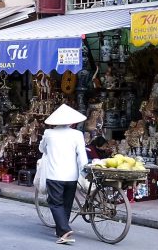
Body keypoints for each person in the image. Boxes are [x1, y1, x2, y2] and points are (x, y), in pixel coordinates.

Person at [39, 104, 88, 244]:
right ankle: (62, 230)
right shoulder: (77, 134)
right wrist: (84, 172)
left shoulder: (49, 133)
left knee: (55, 203)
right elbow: (82, 157)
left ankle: (65, 230)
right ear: (72, 122)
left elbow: (42, 148)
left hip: (55, 175)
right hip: (72, 176)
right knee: (66, 203)